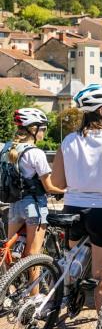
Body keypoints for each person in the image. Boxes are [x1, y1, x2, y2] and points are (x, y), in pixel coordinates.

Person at [51, 84, 102, 312]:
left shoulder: (68, 141)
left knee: (74, 262)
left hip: (73, 208)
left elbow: (58, 184)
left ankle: (69, 294)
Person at [2, 108, 64, 257]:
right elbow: (48, 186)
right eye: (43, 128)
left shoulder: (6, 147)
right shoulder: (36, 153)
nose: (44, 132)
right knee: (33, 255)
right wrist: (65, 191)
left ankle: (9, 279)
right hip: (34, 205)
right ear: (33, 129)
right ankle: (34, 281)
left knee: (8, 250)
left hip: (14, 203)